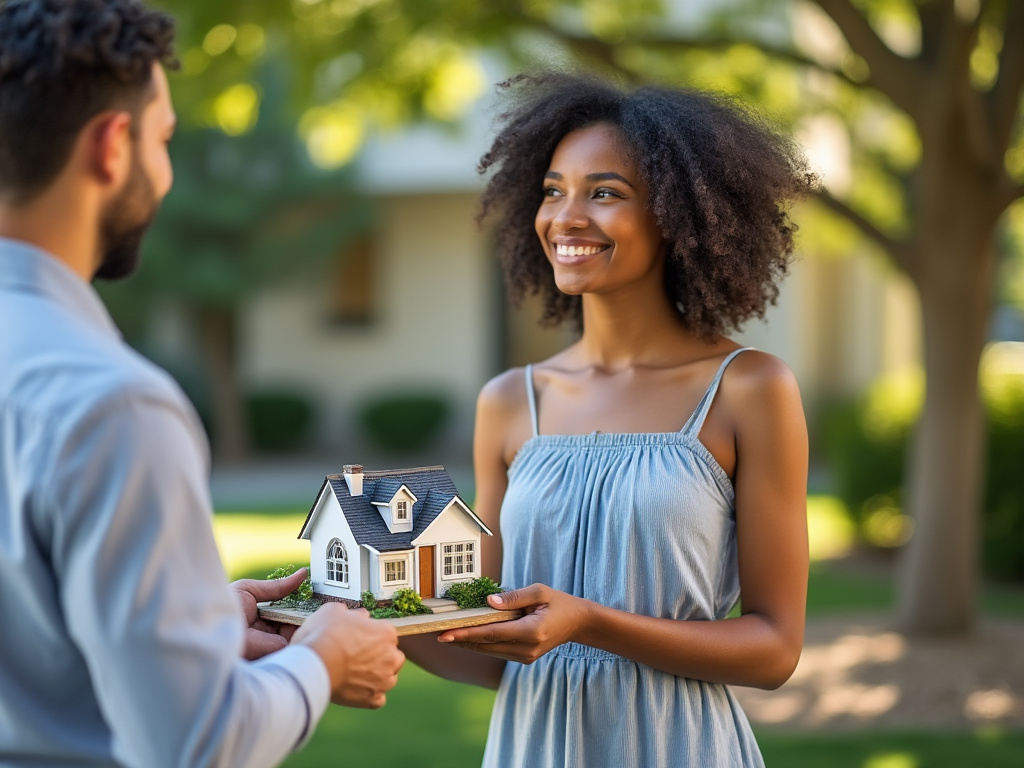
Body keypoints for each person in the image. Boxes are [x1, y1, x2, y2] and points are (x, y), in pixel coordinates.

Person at [0, 1, 404, 767]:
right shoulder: (111, 403)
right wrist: (324, 659)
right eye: (164, 140)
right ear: (113, 147)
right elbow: (195, 744)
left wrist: (198, 628)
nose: (167, 172)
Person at [401, 73, 813, 767]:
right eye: (554, 190)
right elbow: (491, 650)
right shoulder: (508, 401)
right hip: (533, 746)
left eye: (605, 193)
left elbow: (775, 650)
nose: (566, 217)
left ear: (678, 215)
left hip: (678, 747)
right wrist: (378, 620)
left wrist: (589, 625)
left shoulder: (748, 389)